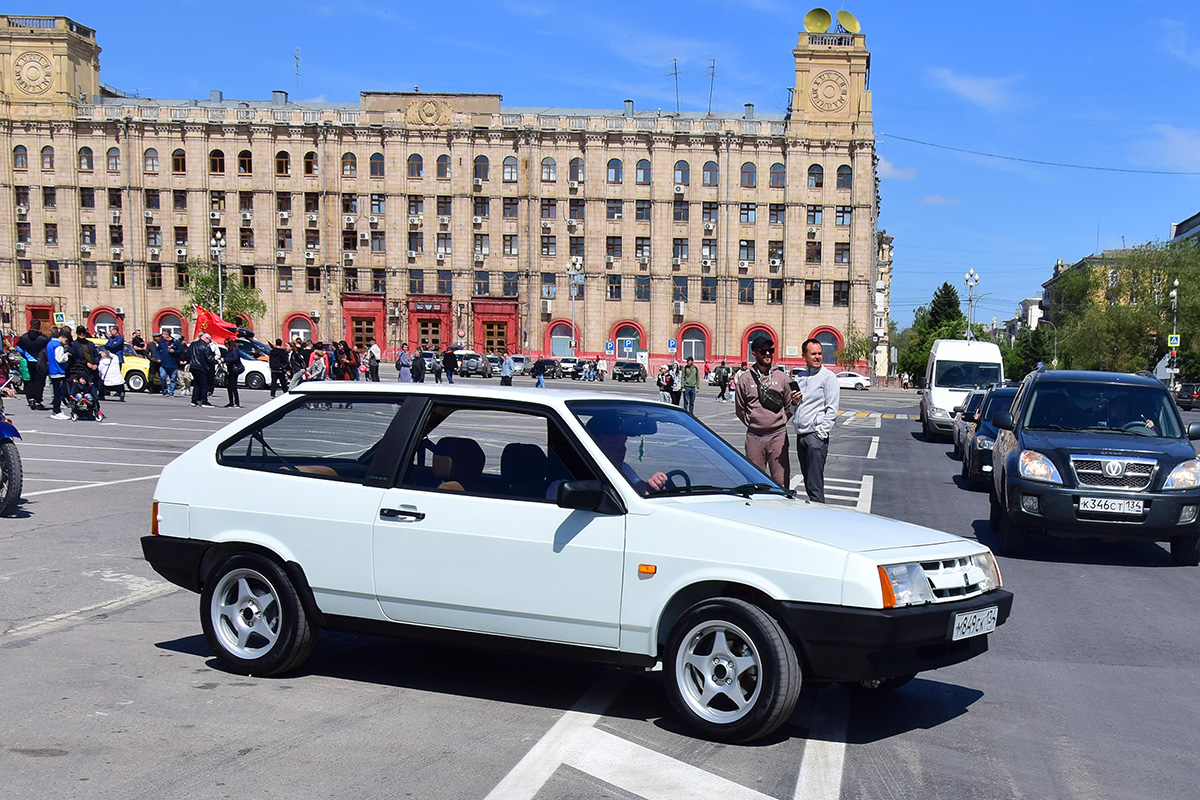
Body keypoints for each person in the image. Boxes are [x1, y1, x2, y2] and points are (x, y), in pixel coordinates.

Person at [735, 334, 798, 487]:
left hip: (778, 437)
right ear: (754, 354)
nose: (768, 354)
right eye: (763, 351)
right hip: (754, 437)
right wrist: (754, 422)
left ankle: (781, 510)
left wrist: (779, 420)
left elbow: (789, 406)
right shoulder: (745, 379)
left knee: (781, 482)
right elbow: (740, 409)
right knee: (754, 483)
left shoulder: (782, 378)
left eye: (770, 350)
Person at [791, 337, 840, 503]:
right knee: (808, 481)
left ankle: (819, 519)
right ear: (804, 355)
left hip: (815, 437)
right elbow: (793, 409)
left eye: (820, 353)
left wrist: (821, 433)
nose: (818, 357)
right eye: (813, 354)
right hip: (801, 435)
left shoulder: (828, 377)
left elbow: (832, 409)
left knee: (815, 485)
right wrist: (793, 402)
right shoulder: (800, 377)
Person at [585, 412, 668, 497]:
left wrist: (653, 485)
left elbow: (643, 491)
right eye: (614, 443)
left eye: (623, 443)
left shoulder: (623, 469)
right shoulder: (585, 471)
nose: (622, 449)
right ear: (595, 444)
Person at [16, 319, 49, 410]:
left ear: (30, 325)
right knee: (40, 381)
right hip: (40, 361)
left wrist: (26, 355)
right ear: (39, 326)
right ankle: (38, 400)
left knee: (30, 381)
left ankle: (31, 398)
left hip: (29, 360)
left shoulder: (24, 337)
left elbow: (19, 348)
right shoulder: (44, 338)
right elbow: (47, 350)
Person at [46, 327, 70, 419]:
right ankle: (57, 411)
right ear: (62, 337)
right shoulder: (58, 345)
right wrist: (66, 355)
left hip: (52, 370)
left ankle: (56, 411)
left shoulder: (50, 343)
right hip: (58, 371)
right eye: (66, 340)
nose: (65, 343)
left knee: (56, 392)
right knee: (58, 392)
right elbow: (60, 359)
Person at [189, 333, 217, 407]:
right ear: (206, 338)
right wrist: (217, 361)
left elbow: (188, 354)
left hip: (193, 366)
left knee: (196, 384)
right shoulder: (205, 347)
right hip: (202, 368)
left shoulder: (193, 345)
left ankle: (194, 400)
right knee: (204, 385)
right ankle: (204, 401)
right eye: (209, 340)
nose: (210, 342)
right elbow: (209, 359)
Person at [154, 332, 181, 397]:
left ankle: (171, 392)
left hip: (173, 363)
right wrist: (158, 357)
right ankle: (164, 390)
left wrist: (174, 351)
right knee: (162, 377)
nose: (162, 336)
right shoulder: (161, 342)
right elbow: (157, 350)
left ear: (167, 335)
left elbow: (181, 350)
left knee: (173, 379)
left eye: (163, 334)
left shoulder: (175, 342)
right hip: (163, 363)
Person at [222, 337, 243, 407]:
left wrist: (225, 360)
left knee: (233, 386)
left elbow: (234, 358)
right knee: (229, 386)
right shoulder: (229, 350)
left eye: (226, 344)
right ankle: (231, 402)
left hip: (234, 370)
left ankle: (236, 402)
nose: (225, 345)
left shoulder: (234, 350)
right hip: (230, 369)